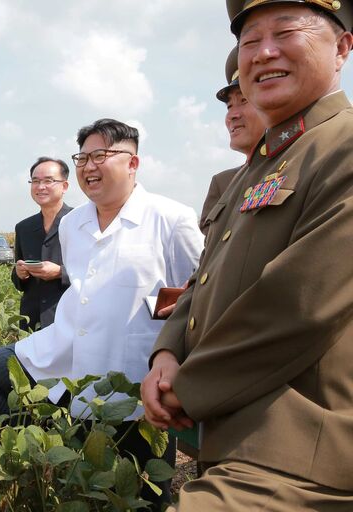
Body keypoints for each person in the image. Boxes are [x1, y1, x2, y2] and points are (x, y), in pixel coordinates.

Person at [0, 119, 203, 509]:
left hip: (131, 364)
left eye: (102, 155)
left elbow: (200, 293)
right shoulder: (74, 224)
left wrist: (172, 352)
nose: (89, 166)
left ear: (133, 164)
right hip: (68, 350)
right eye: (82, 157)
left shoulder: (171, 218)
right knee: (3, 369)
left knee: (141, 482)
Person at [141, 1, 353, 509]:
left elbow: (299, 304)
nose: (263, 53)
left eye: (285, 32)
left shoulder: (341, 147)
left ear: (343, 47)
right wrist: (167, 352)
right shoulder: (258, 168)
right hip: (238, 436)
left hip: (302, 454)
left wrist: (187, 387)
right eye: (251, 40)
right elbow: (205, 279)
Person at [200, 45, 267, 234]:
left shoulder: (303, 165)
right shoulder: (223, 183)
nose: (232, 115)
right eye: (229, 106)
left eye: (244, 100)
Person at [11, 157, 73, 331]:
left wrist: (60, 273)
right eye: (35, 181)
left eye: (48, 181)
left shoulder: (81, 222)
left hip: (69, 319)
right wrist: (20, 273)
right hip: (32, 322)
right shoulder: (24, 227)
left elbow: (96, 271)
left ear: (65, 186)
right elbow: (18, 279)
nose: (40, 187)